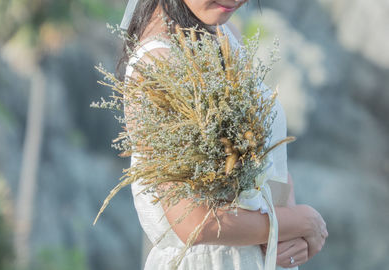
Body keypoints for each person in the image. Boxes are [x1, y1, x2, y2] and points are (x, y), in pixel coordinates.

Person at [119, 0, 328, 269]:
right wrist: (302, 221)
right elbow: (191, 221)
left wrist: (285, 232)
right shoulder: (158, 64)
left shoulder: (225, 34)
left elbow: (264, 158)